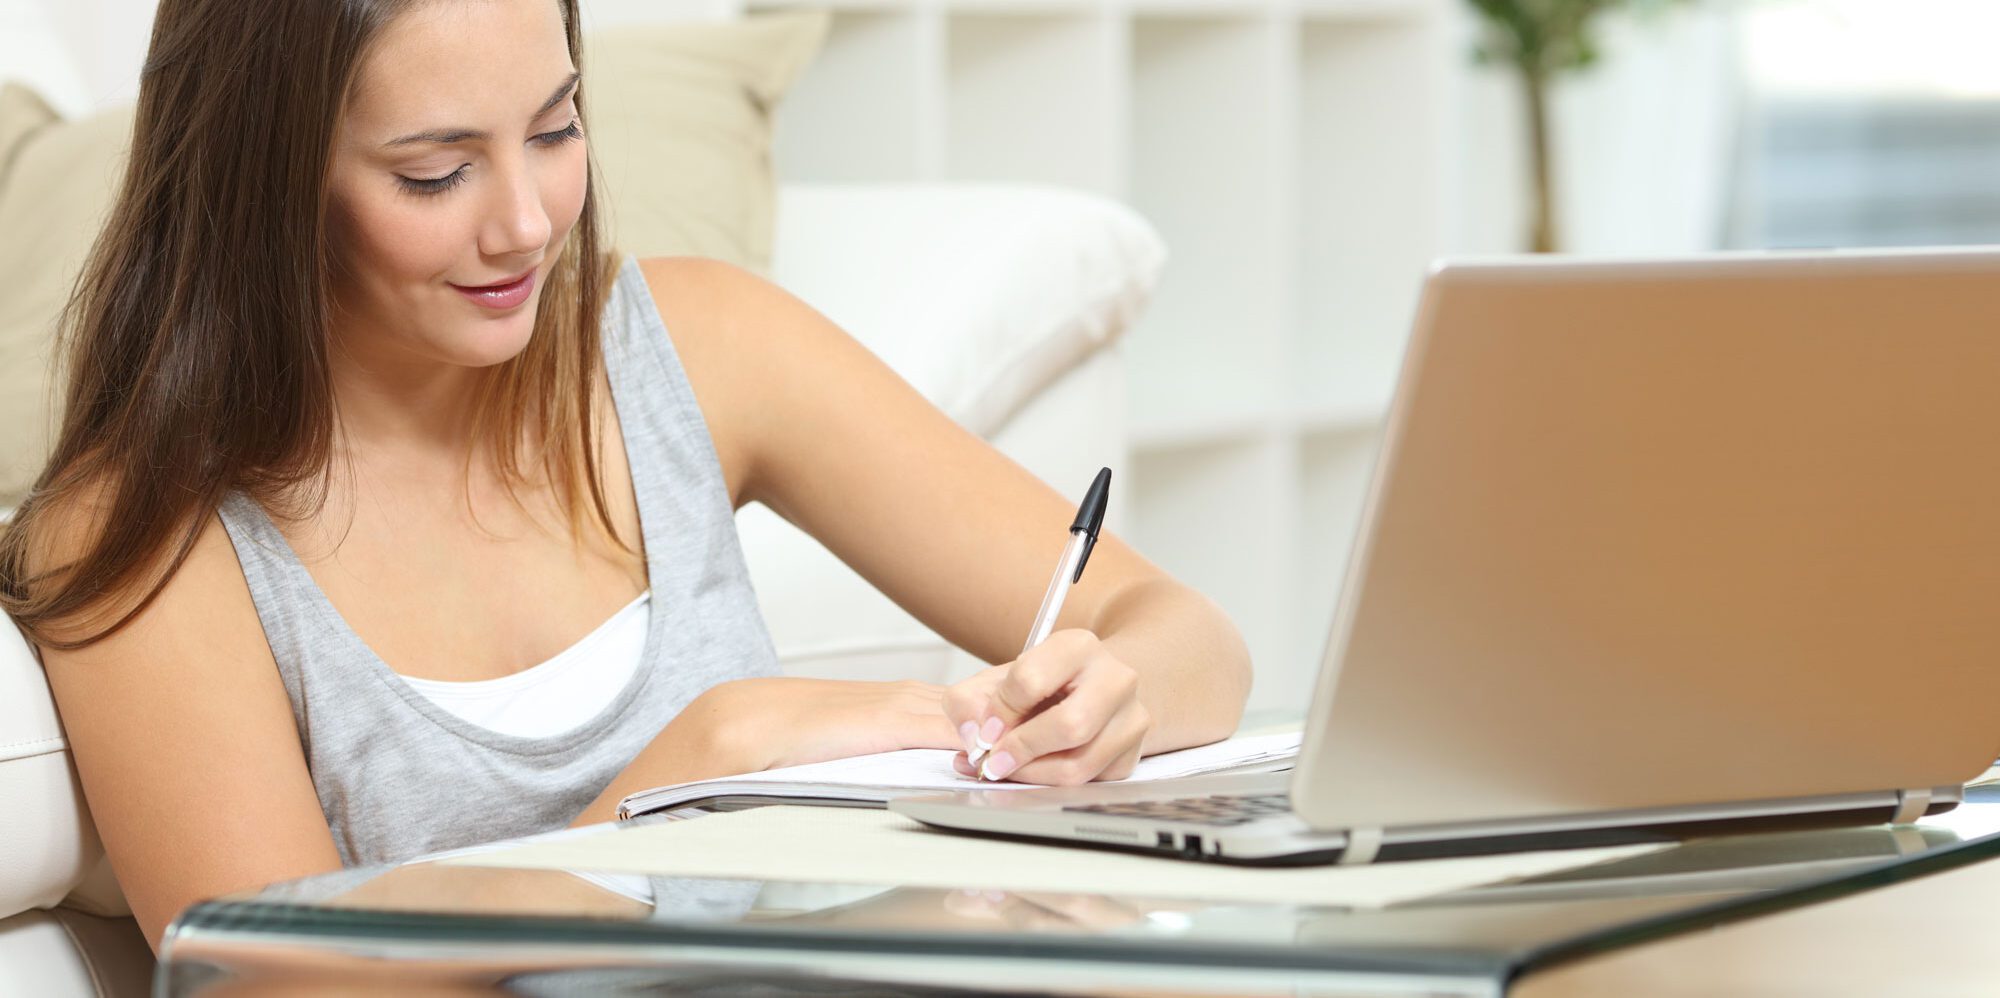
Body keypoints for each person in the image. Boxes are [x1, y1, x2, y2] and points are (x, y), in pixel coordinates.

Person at [0, 0, 1251, 952]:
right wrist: (694, 771)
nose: (529, 222)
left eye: (554, 129)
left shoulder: (697, 348)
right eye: (435, 172)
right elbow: (271, 977)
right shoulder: (141, 533)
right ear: (268, 189)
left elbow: (1191, 637)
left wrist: (1105, 693)